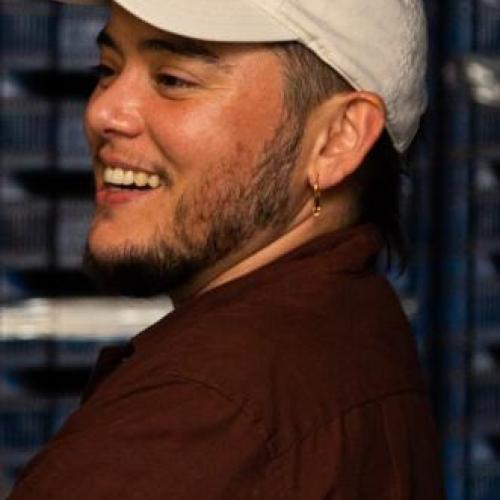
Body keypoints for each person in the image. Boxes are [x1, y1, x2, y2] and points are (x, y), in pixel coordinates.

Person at [10, 0, 445, 498]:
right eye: (106, 70)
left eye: (172, 80)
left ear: (336, 140)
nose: (102, 112)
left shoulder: (205, 415)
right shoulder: (354, 340)